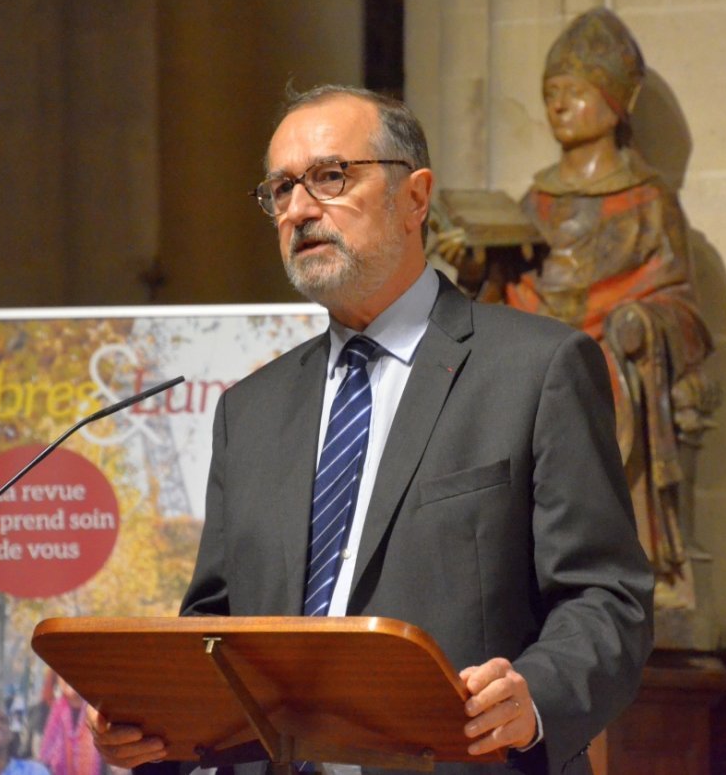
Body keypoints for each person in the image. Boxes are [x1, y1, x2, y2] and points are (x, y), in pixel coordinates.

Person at [88, 84, 653, 775]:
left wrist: (534, 697)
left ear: (415, 198)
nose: (299, 209)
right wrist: (155, 724)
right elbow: (216, 624)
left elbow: (605, 598)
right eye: (281, 190)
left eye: (330, 177)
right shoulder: (251, 410)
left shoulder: (536, 370)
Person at [436, 8, 715, 610]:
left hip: (610, 361)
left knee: (602, 382)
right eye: (550, 94)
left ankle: (623, 569)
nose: (558, 106)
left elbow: (681, 306)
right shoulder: (534, 200)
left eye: (575, 92)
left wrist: (641, 323)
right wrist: (479, 265)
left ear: (616, 102)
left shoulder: (648, 199)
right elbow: (501, 295)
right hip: (533, 357)